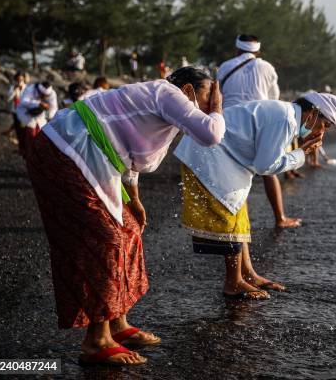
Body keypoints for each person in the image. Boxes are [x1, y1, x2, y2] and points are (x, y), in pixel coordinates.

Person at [24, 66, 225, 366]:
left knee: (129, 229)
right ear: (188, 90)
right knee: (105, 239)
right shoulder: (168, 94)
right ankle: (96, 340)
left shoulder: (162, 104)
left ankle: (117, 323)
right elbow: (211, 135)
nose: (211, 101)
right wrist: (218, 108)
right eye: (209, 93)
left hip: (91, 155)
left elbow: (130, 150)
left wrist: (135, 200)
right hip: (65, 149)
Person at [174, 92, 336, 300]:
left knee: (239, 218)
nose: (322, 132)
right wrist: (301, 154)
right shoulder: (286, 119)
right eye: (325, 125)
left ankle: (248, 274)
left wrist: (299, 153)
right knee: (230, 220)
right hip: (209, 155)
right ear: (313, 113)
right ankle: (233, 283)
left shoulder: (286, 115)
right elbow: (266, 165)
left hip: (219, 154)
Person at [217, 34, 301, 228]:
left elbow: (217, 95)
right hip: (259, 124)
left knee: (235, 174)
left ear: (237, 49)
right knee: (269, 170)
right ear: (258, 52)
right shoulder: (267, 67)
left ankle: (236, 225)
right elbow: (274, 99)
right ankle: (280, 218)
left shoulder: (225, 67)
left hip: (230, 124)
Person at [15, 81, 58, 157]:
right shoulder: (30, 89)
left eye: (46, 96)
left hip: (41, 115)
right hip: (25, 113)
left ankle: (35, 153)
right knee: (29, 134)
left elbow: (53, 108)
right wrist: (38, 103)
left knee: (39, 134)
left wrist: (49, 115)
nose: (44, 97)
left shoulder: (52, 94)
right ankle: (27, 152)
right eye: (43, 95)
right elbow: (23, 101)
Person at [1, 71, 27, 144]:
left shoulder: (27, 88)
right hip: (15, 110)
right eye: (18, 80)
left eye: (21, 80)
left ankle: (11, 134)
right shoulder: (13, 87)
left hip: (24, 111)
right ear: (16, 80)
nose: (19, 81)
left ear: (23, 80)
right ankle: (20, 143)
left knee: (22, 126)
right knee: (18, 126)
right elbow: (8, 99)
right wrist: (15, 90)